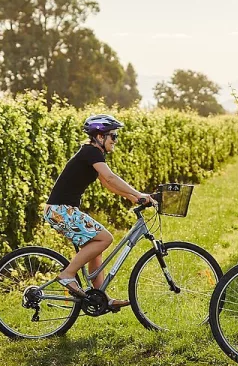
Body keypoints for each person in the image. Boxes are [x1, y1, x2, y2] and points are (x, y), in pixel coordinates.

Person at [43, 114, 156, 310]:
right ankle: (67, 274)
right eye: (113, 136)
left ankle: (101, 298)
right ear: (100, 137)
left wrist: (134, 198)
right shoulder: (90, 152)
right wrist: (139, 193)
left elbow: (107, 184)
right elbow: (110, 177)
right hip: (60, 210)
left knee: (96, 249)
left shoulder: (94, 155)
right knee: (105, 238)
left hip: (63, 210)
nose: (115, 141)